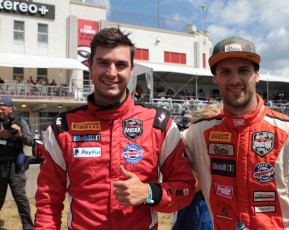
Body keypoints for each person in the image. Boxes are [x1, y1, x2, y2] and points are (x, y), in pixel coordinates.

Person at [34, 27, 195, 230]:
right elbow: (48, 203)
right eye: (103, 63)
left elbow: (185, 189)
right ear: (90, 67)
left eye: (120, 64)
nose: (111, 72)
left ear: (131, 70)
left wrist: (149, 193)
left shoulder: (158, 123)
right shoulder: (62, 128)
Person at [182, 36, 289, 229]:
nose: (235, 79)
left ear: (256, 75)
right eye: (225, 72)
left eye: (244, 70)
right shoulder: (197, 133)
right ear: (215, 78)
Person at [0, 96, 34, 229]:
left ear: (10, 108)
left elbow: (30, 142)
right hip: (0, 166)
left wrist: (19, 134)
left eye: (2, 108)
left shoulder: (20, 122)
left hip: (16, 166)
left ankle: (28, 227)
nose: (0, 111)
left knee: (21, 198)